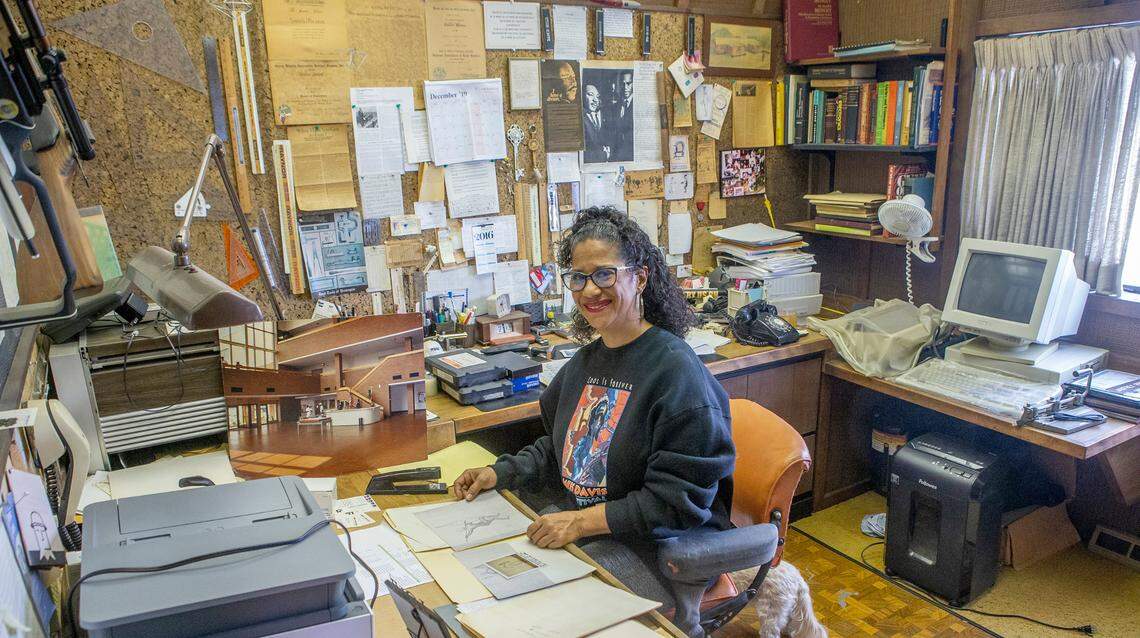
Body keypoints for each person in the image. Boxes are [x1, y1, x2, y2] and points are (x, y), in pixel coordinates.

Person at [455, 206, 735, 606]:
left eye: (604, 274)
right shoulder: (586, 363)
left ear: (639, 278)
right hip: (590, 530)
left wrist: (580, 522)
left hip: (656, 550)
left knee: (540, 612)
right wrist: (497, 473)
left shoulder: (676, 375)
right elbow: (561, 449)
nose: (589, 290)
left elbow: (676, 504)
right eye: (578, 278)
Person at [583, 85, 611, 163]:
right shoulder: (580, 118)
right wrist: (604, 155)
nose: (595, 100)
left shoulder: (604, 114)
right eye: (590, 95)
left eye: (597, 97)